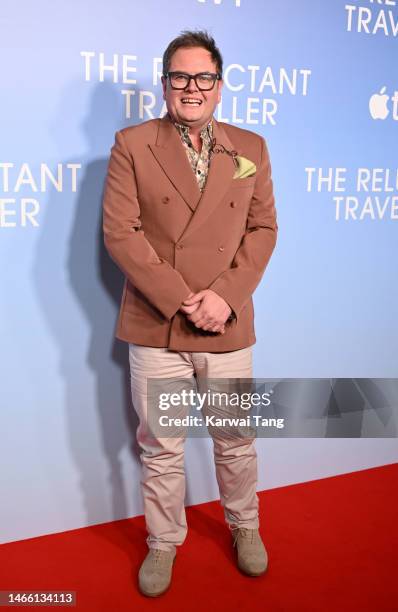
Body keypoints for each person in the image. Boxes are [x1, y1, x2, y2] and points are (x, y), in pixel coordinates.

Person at [102, 29, 278, 597]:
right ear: (165, 84)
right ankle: (163, 541)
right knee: (162, 445)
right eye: (180, 77)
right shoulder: (132, 143)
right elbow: (121, 235)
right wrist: (184, 298)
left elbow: (263, 228)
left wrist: (224, 296)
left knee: (235, 438)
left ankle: (245, 527)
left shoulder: (250, 148)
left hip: (228, 321)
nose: (192, 88)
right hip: (159, 324)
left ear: (220, 87)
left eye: (203, 77)